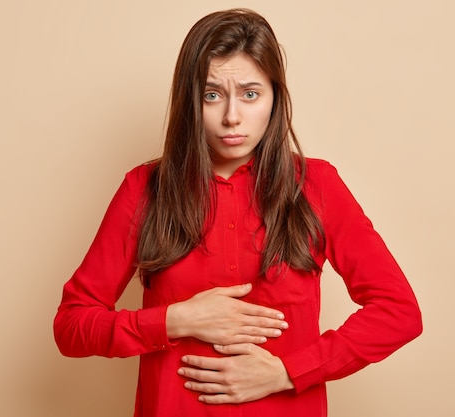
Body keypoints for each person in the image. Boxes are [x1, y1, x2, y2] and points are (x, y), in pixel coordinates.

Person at [53, 8, 422, 417]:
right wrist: (175, 320)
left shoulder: (316, 185)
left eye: (250, 94)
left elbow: (399, 312)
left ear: (274, 98)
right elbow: (71, 327)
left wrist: (286, 372)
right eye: (212, 95)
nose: (232, 116)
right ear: (189, 100)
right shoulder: (145, 189)